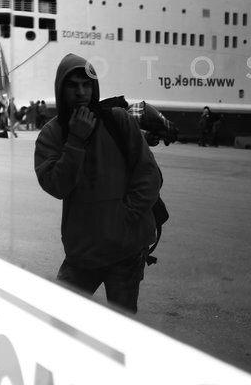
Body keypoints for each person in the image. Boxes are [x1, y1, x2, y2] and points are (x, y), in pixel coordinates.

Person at [34, 53, 161, 314]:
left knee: (121, 328)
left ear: (94, 88)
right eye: (73, 85)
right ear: (61, 89)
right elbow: (56, 186)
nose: (81, 92)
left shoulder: (118, 120)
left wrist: (124, 217)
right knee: (60, 318)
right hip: (83, 251)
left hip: (126, 250)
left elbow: (149, 175)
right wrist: (77, 141)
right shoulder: (52, 134)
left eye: (86, 84)